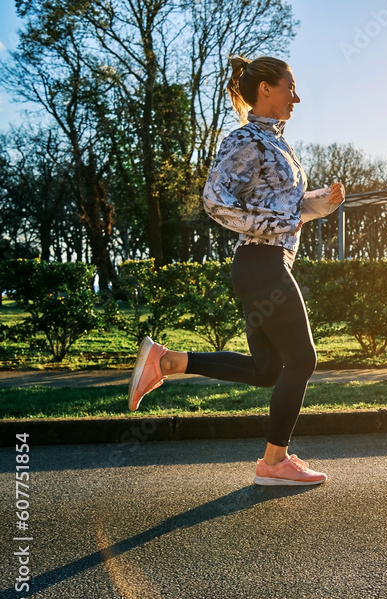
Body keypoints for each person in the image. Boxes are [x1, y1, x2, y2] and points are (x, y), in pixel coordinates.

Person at [127, 55, 345, 487]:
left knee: (268, 371)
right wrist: (276, 224)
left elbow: (286, 209)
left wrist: (320, 202)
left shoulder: (278, 144)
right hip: (262, 263)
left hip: (264, 263)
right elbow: (215, 200)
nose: (297, 98)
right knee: (302, 360)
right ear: (266, 88)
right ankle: (274, 462)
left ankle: (168, 361)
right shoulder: (246, 140)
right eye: (290, 87)